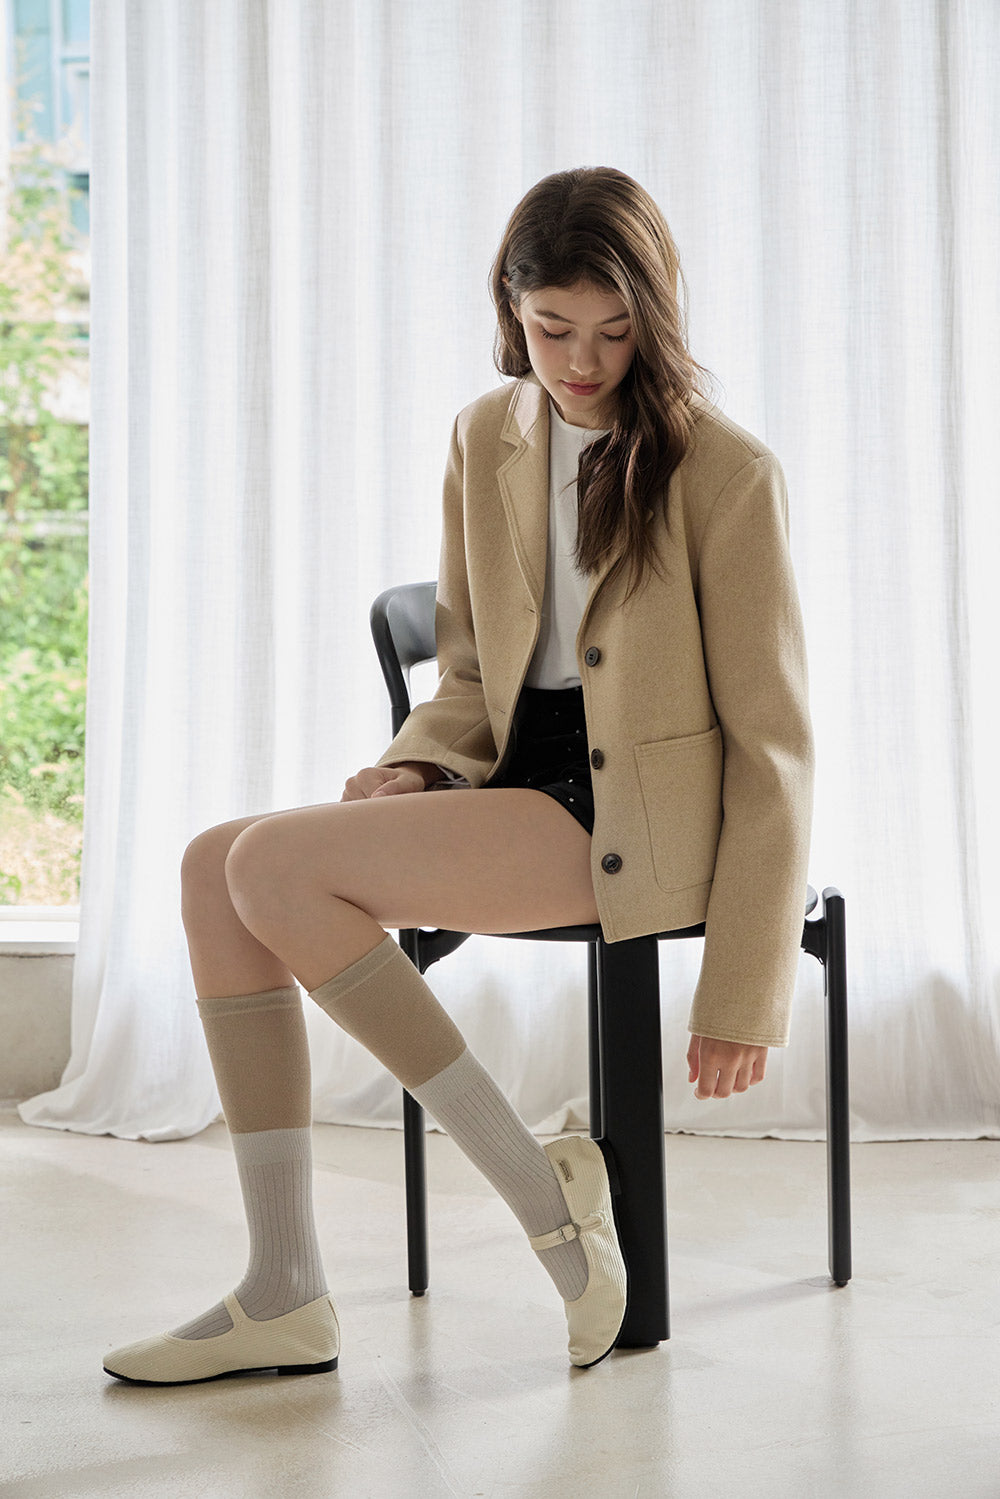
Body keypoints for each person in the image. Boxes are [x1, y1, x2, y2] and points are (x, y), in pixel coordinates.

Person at [102, 166, 813, 1386]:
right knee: (208, 866)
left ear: (656, 314)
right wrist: (414, 767)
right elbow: (476, 672)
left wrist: (745, 984)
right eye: (550, 329)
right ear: (510, 307)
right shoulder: (487, 436)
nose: (579, 360)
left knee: (270, 861)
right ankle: (283, 1287)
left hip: (639, 818)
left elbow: (775, 741)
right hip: (513, 778)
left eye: (612, 331)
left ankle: (545, 1200)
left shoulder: (723, 470)